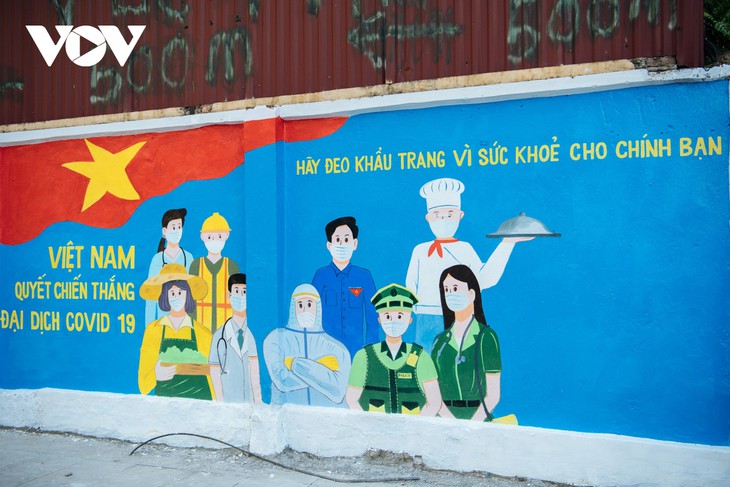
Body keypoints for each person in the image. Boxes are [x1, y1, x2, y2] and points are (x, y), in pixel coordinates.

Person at [405, 178, 531, 351]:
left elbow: (484, 279)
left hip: (459, 315)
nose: (443, 219)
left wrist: (507, 244)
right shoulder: (420, 250)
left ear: (460, 215)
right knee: (425, 358)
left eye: (449, 214)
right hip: (426, 317)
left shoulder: (465, 249)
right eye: (437, 215)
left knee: (456, 358)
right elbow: (411, 285)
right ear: (428, 218)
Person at [345, 283, 442, 416]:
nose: (393, 321)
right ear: (379, 319)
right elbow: (351, 399)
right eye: (387, 316)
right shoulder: (364, 357)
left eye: (400, 316)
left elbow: (434, 403)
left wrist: (415, 426)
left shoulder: (421, 357)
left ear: (410, 320)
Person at [431, 264, 501, 421]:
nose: (450, 294)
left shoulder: (486, 337)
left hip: (479, 420)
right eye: (446, 290)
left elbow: (493, 396)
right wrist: (452, 423)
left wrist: (471, 426)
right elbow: (433, 392)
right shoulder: (440, 341)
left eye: (455, 288)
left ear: (471, 294)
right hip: (445, 420)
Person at [263, 284, 351, 407]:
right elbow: (282, 380)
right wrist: (322, 372)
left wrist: (294, 364)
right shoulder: (276, 339)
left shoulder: (337, 348)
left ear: (317, 308)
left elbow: (338, 391)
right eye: (300, 305)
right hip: (288, 413)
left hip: (328, 414)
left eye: (309, 304)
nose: (305, 310)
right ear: (293, 308)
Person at [138, 263, 214, 400]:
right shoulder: (153, 330)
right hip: (164, 405)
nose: (176, 297)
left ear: (188, 295)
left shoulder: (203, 332)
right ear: (165, 296)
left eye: (180, 292)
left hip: (199, 403)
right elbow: (143, 386)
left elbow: (213, 376)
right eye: (172, 293)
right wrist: (156, 375)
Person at [312, 216, 379, 358]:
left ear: (355, 244)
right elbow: (312, 313)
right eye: (337, 240)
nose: (342, 244)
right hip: (325, 350)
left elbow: (373, 315)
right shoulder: (321, 275)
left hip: (356, 350)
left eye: (346, 239)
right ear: (329, 245)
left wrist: (371, 347)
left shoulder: (364, 276)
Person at [209, 273, 262, 404]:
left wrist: (258, 402)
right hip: (227, 402)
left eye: (244, 292)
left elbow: (254, 370)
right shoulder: (219, 335)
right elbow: (214, 370)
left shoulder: (252, 334)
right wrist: (220, 402)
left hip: (250, 403)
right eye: (236, 291)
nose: (241, 296)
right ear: (229, 295)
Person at [189, 212, 240, 334]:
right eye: (209, 237)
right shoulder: (196, 265)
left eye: (219, 236)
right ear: (202, 237)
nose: (214, 241)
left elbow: (239, 299)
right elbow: (190, 300)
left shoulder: (231, 266)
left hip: (227, 330)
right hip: (200, 329)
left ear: (227, 235)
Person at [145, 208, 194, 326]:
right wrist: (149, 327)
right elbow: (150, 296)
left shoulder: (188, 258)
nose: (176, 231)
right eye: (173, 227)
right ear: (164, 231)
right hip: (162, 321)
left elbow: (193, 294)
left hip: (184, 321)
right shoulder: (157, 260)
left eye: (179, 227)